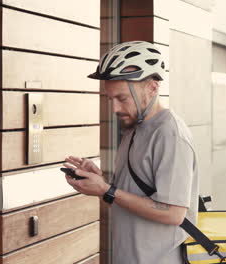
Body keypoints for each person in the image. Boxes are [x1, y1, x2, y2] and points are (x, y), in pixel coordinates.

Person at [63, 41, 199, 264]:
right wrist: (100, 184)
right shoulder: (134, 129)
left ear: (153, 87)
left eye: (122, 98)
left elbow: (173, 213)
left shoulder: (169, 134)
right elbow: (129, 197)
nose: (115, 108)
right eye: (111, 99)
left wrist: (107, 189)